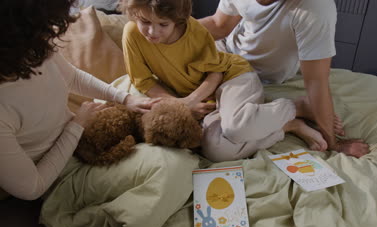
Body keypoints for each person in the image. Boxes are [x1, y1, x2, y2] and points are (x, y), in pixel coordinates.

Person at [120, 0, 330, 163]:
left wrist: (191, 100)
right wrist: (180, 105)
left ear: (176, 19)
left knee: (236, 128)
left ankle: (295, 107)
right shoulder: (131, 34)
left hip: (232, 76)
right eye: (145, 22)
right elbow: (144, 81)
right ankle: (287, 126)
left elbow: (216, 72)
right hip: (203, 97)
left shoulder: (194, 31)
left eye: (163, 25)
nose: (152, 32)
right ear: (134, 14)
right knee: (216, 150)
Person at [0, 0, 159, 200]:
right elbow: (33, 187)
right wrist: (76, 126)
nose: (50, 32)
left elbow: (72, 78)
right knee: (171, 164)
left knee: (142, 92)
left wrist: (125, 99)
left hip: (82, 130)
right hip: (63, 173)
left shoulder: (34, 49)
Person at [199, 0, 370, 158]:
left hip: (246, 75)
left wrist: (334, 144)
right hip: (223, 54)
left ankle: (297, 110)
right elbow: (218, 25)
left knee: (217, 148)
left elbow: (316, 82)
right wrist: (177, 29)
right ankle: (289, 122)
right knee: (201, 130)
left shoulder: (315, 8)